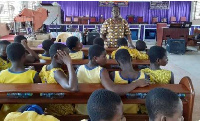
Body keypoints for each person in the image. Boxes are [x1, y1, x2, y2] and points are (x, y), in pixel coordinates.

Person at [76, 45, 149, 115]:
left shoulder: (79, 68)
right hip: (97, 110)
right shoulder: (101, 71)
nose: (106, 59)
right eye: (104, 56)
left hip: (80, 107)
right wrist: (136, 83)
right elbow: (113, 90)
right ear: (95, 58)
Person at [0, 43, 41, 120]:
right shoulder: (33, 74)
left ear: (8, 58)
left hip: (6, 115)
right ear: (24, 56)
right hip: (27, 114)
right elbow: (39, 96)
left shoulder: (2, 74)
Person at [39, 43, 78, 116]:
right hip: (62, 110)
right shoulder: (57, 72)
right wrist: (69, 64)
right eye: (66, 55)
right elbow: (73, 88)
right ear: (56, 57)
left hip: (50, 107)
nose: (68, 58)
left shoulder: (44, 67)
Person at [110, 49, 148, 114]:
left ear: (118, 63)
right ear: (131, 59)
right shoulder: (144, 76)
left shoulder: (113, 75)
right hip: (138, 114)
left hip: (120, 112)